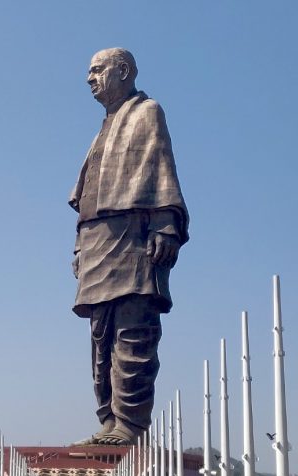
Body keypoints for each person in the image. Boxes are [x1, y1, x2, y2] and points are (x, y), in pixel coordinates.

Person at [70, 47, 189, 446]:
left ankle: (131, 424)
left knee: (133, 330)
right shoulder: (103, 128)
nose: (89, 78)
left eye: (97, 70)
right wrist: (79, 247)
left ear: (122, 71)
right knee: (101, 336)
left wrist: (165, 225)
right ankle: (109, 419)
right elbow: (86, 192)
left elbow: (160, 168)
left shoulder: (146, 112)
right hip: (96, 240)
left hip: (133, 237)